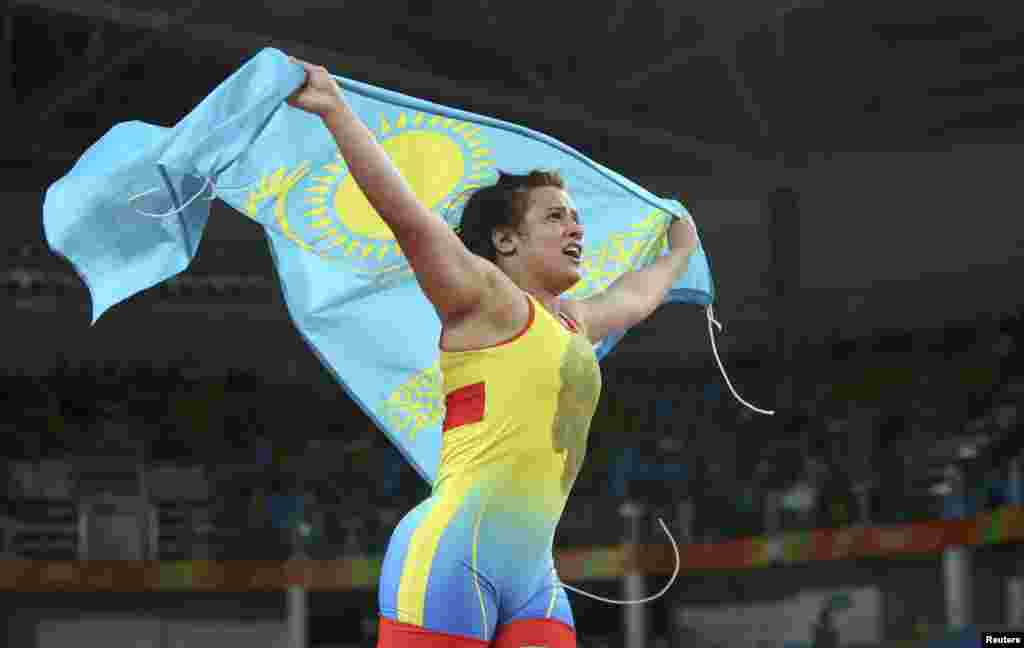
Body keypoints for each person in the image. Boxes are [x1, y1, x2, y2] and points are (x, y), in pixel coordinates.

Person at [286, 57, 699, 648]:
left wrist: (680, 249)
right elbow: (406, 215)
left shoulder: (576, 322)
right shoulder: (485, 300)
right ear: (505, 239)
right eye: (556, 217)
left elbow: (636, 295)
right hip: (449, 555)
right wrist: (334, 108)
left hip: (534, 575)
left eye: (577, 218)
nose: (576, 229)